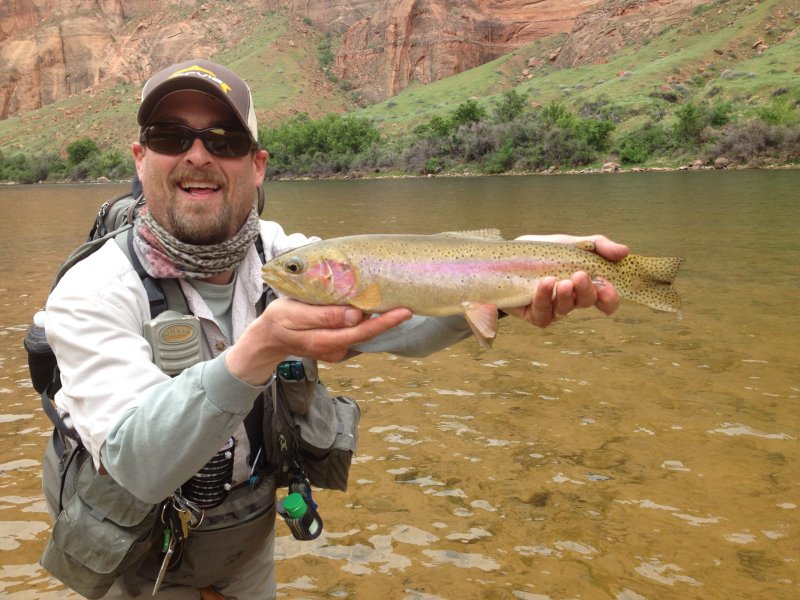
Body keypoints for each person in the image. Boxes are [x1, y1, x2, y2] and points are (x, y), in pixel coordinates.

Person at [40, 58, 628, 599]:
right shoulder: (93, 289)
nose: (198, 155)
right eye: (172, 137)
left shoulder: (287, 257)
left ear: (258, 164)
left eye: (225, 140)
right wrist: (257, 351)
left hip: (248, 540)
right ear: (141, 158)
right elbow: (136, 466)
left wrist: (510, 282)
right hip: (140, 558)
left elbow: (399, 321)